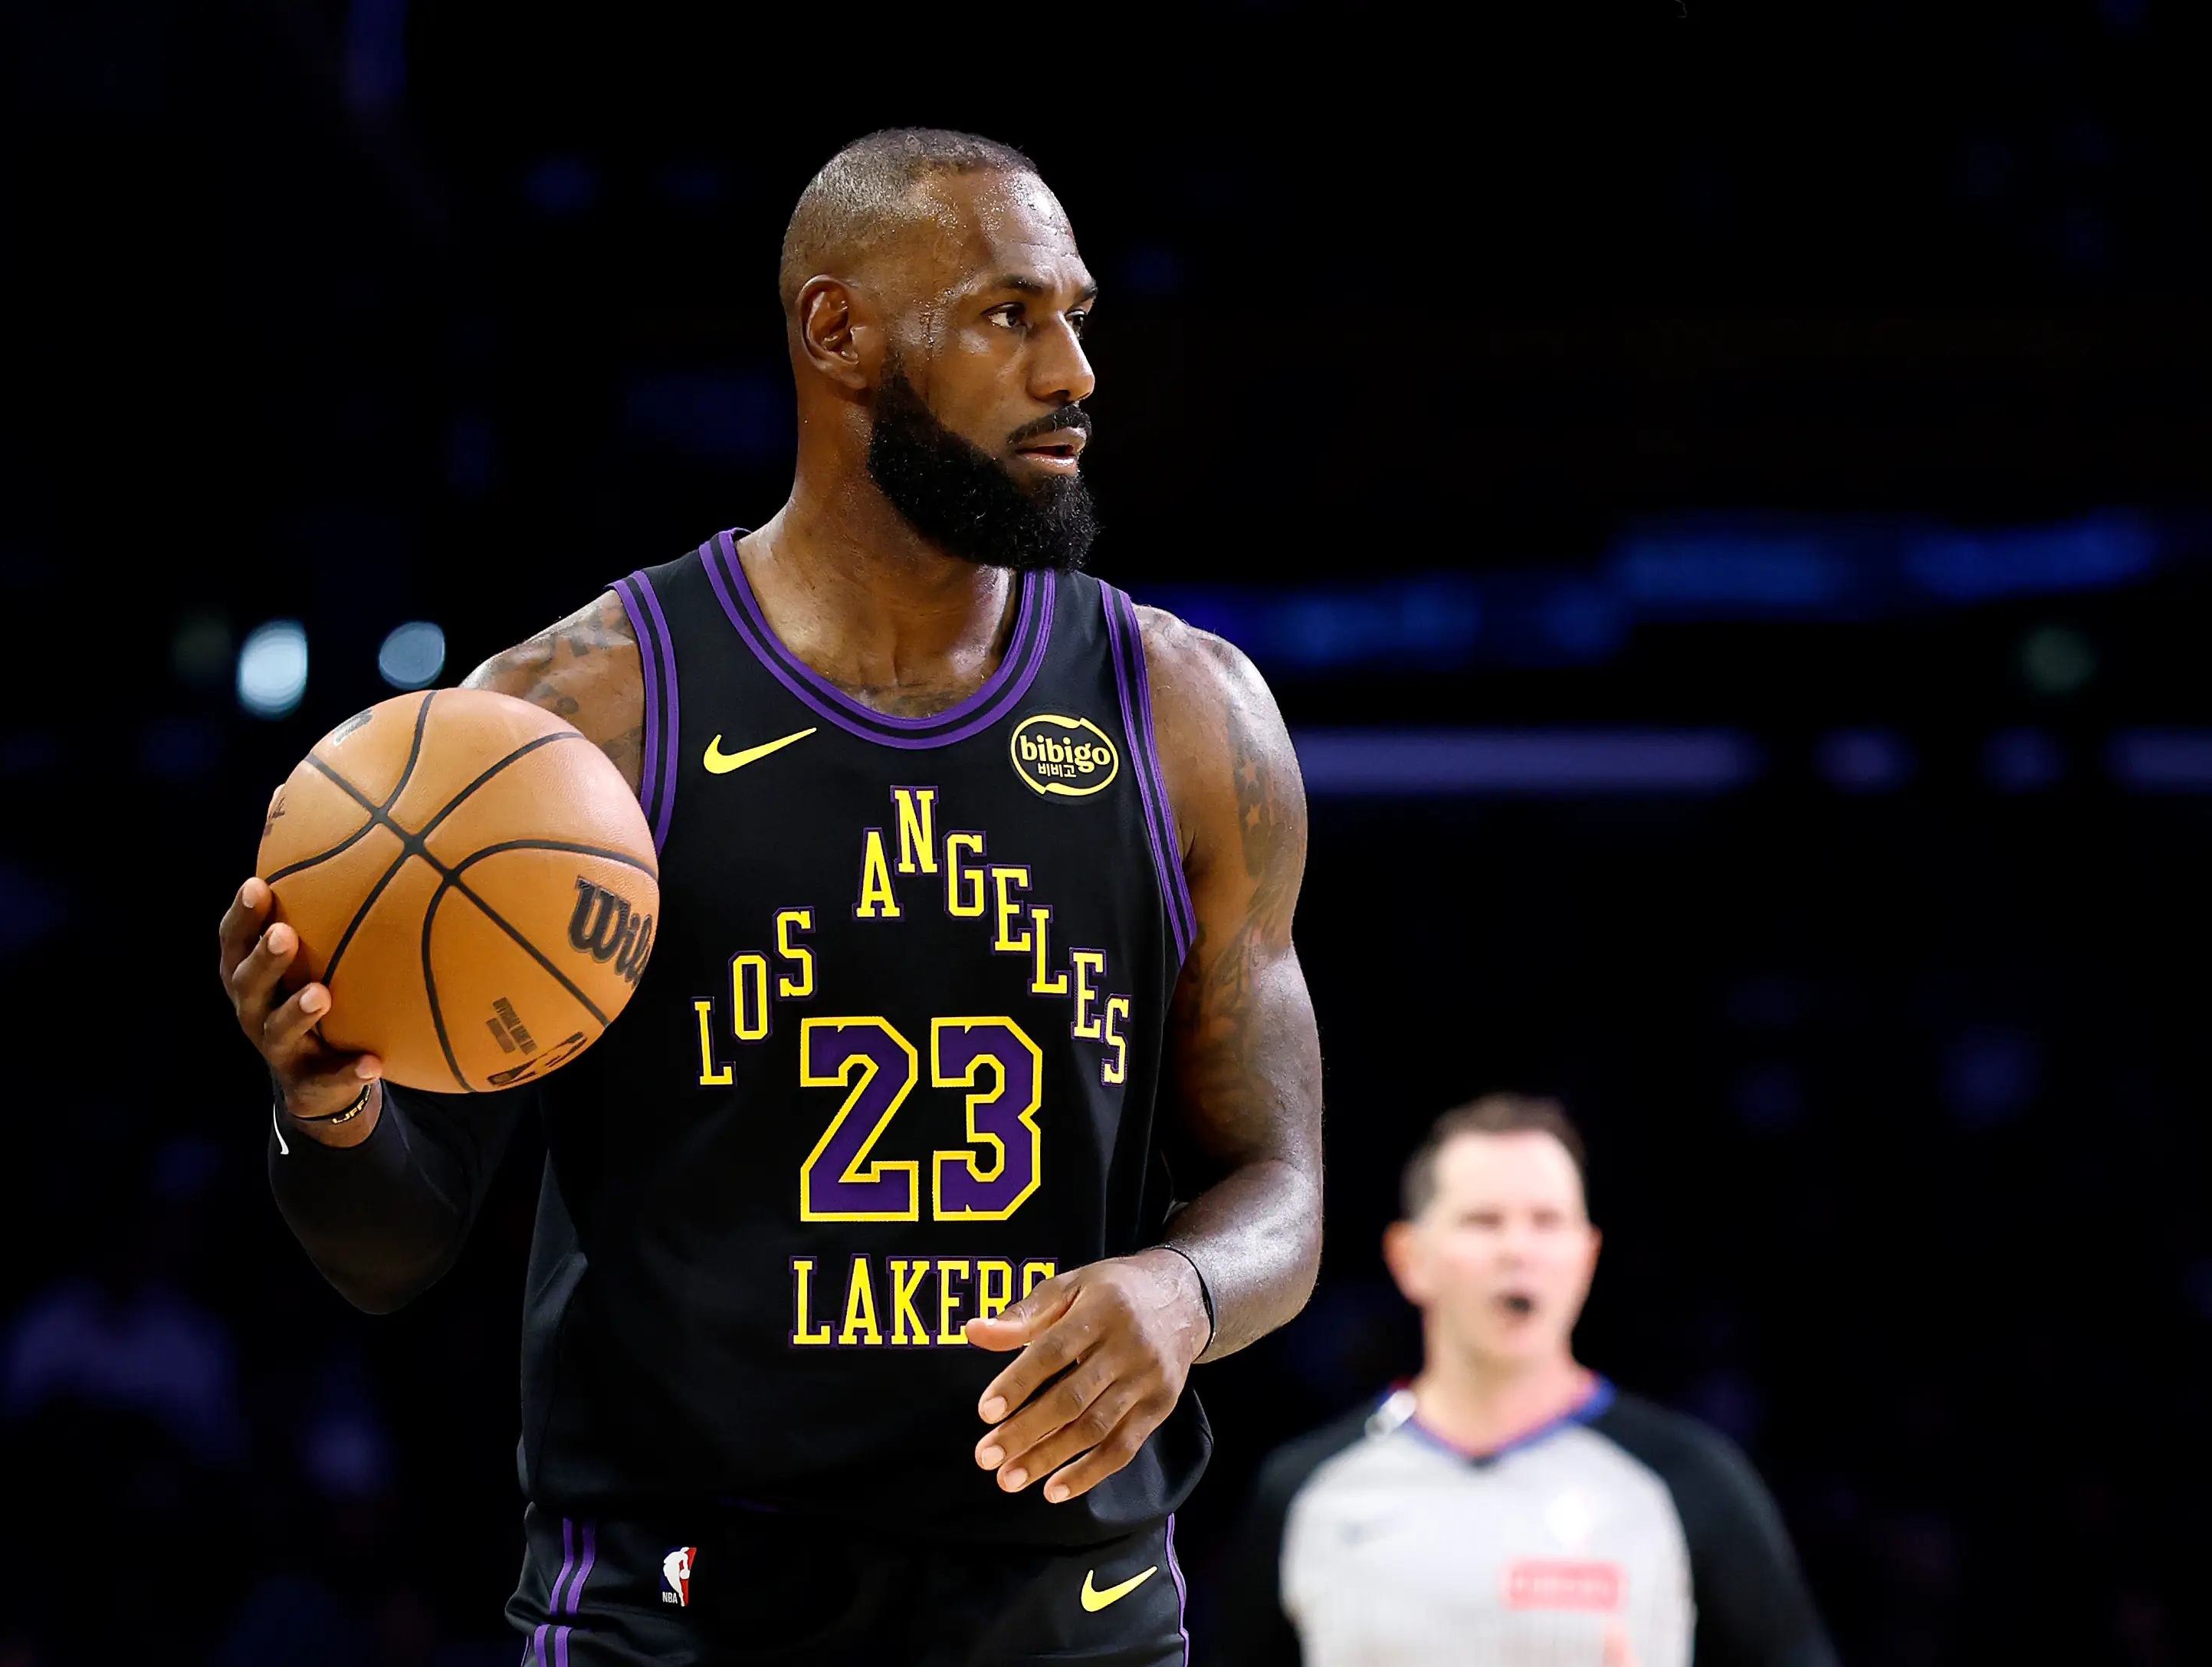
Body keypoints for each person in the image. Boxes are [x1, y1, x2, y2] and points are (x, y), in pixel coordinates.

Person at [215, 128, 1325, 1666]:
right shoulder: (576, 713)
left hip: (1059, 1599)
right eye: (1011, 314)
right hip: (676, 1601)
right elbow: (391, 1248)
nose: (1071, 371)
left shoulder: (1188, 718)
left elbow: (1283, 1188)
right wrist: (330, 1108)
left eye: (1077, 315)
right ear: (837, 332)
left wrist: (1184, 1288)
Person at [1213, 1095, 1835, 1667]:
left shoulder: (1690, 1480)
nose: (1519, 1249)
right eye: (1484, 1221)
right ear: (1410, 1258)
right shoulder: (1304, 1492)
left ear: (1587, 1256)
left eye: (1547, 1220)